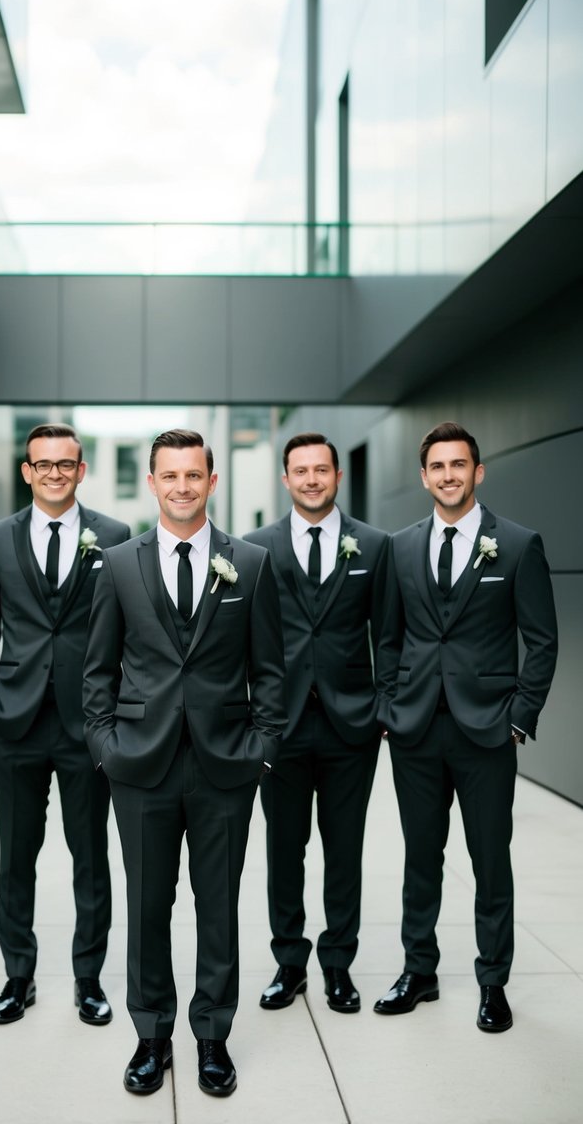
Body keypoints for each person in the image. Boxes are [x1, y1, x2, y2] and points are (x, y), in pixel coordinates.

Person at [83, 429, 286, 1098]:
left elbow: (269, 671)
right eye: (168, 475)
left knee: (218, 908)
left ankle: (212, 1037)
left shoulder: (249, 563)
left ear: (211, 482)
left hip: (225, 765)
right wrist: (106, 748)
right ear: (151, 482)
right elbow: (97, 672)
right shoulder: (116, 564)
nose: (180, 486)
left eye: (192, 475)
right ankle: (150, 1035)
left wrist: (260, 750)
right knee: (147, 906)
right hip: (139, 766)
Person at [374, 421, 558, 1032]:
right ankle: (418, 971)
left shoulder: (518, 544)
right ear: (424, 475)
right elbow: (388, 638)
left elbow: (543, 641)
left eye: (460, 465)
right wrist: (389, 711)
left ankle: (492, 981)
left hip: (487, 734)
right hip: (416, 731)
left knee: (489, 860)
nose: (448, 475)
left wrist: (519, 720)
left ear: (478, 472)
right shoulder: (399, 548)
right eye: (437, 466)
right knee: (420, 857)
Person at [0, 423, 129, 1027]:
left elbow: (118, 630)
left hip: (85, 724)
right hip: (14, 722)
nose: (55, 473)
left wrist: (108, 711)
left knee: (90, 855)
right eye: (44, 464)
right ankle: (19, 976)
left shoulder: (112, 536)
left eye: (67, 464)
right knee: (17, 855)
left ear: (81, 471)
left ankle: (88, 979)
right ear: (27, 472)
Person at [245, 433, 387, 1015]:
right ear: (285, 479)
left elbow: (392, 633)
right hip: (279, 724)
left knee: (344, 849)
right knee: (284, 848)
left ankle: (338, 965)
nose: (311, 479)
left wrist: (383, 706)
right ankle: (289, 962)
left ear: (336, 476)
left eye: (321, 470)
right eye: (300, 471)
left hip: (351, 723)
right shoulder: (254, 549)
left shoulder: (373, 546)